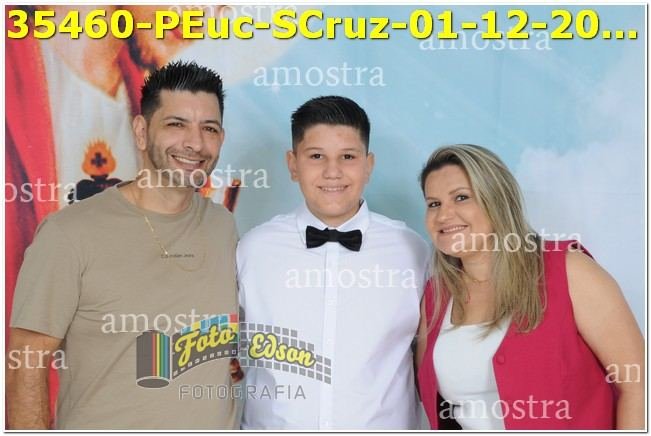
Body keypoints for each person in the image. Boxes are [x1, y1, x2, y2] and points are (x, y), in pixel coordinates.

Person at [7, 61, 240, 430]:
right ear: (141, 131)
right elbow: (26, 361)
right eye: (176, 124)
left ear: (221, 139)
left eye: (208, 128)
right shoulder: (68, 234)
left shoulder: (223, 226)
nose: (195, 143)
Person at [415, 144, 644, 430]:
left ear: (497, 200)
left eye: (461, 197)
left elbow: (637, 385)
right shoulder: (435, 297)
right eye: (433, 204)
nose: (443, 215)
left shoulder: (570, 271)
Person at [237, 96, 430, 429]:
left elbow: (432, 362)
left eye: (348, 157)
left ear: (368, 165)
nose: (332, 172)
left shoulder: (412, 251)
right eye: (316, 156)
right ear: (293, 164)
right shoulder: (252, 250)